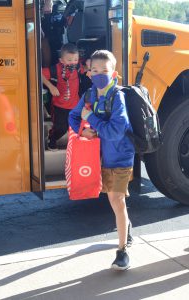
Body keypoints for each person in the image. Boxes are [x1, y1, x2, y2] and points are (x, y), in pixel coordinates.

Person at [68, 50, 135, 270]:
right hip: (103, 158)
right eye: (95, 70)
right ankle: (127, 228)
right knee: (116, 201)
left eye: (104, 71)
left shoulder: (118, 97)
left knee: (116, 200)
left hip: (121, 155)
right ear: (88, 73)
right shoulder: (89, 95)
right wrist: (83, 131)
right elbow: (74, 116)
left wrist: (92, 120)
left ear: (114, 73)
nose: (99, 74)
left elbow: (116, 131)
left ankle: (122, 252)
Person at [42, 43, 86, 150]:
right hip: (59, 105)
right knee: (60, 128)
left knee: (77, 126)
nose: (73, 62)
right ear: (61, 60)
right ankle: (51, 138)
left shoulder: (78, 68)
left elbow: (87, 67)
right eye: (69, 60)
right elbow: (39, 74)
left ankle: (77, 146)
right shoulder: (55, 69)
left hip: (75, 105)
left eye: (75, 59)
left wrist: (89, 67)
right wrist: (51, 87)